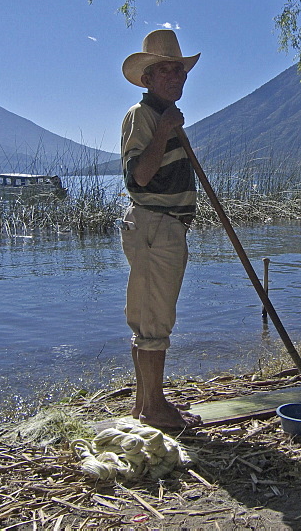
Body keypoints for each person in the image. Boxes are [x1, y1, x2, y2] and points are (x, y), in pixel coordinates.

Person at [119, 29, 202, 431]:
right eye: (166, 70)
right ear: (148, 78)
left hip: (165, 227)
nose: (176, 76)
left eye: (180, 70)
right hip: (155, 226)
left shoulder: (163, 115)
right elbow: (139, 177)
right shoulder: (145, 116)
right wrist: (167, 128)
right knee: (154, 321)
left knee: (149, 317)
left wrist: (170, 126)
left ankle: (144, 405)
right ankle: (154, 408)